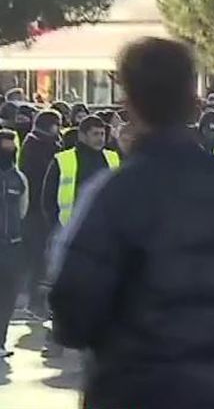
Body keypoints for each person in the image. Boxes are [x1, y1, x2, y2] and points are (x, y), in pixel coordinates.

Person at [48, 37, 214, 409]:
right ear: (193, 101)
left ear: (129, 103)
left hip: (135, 391)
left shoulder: (114, 195)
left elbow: (72, 309)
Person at [40, 115, 120, 358]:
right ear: (83, 135)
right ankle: (55, 339)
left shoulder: (112, 158)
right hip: (69, 236)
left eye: (102, 134)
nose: (99, 139)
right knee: (64, 289)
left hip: (106, 237)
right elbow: (48, 197)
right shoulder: (63, 160)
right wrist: (57, 228)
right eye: (95, 134)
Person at [18, 110, 62, 318]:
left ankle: (40, 302)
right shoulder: (37, 145)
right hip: (37, 210)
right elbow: (39, 177)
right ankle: (35, 303)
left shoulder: (40, 143)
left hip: (41, 209)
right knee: (39, 258)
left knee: (43, 259)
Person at [0, 130, 27, 357]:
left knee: (7, 296)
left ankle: (0, 341)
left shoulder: (18, 178)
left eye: (11, 148)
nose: (7, 152)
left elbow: (22, 210)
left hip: (11, 246)